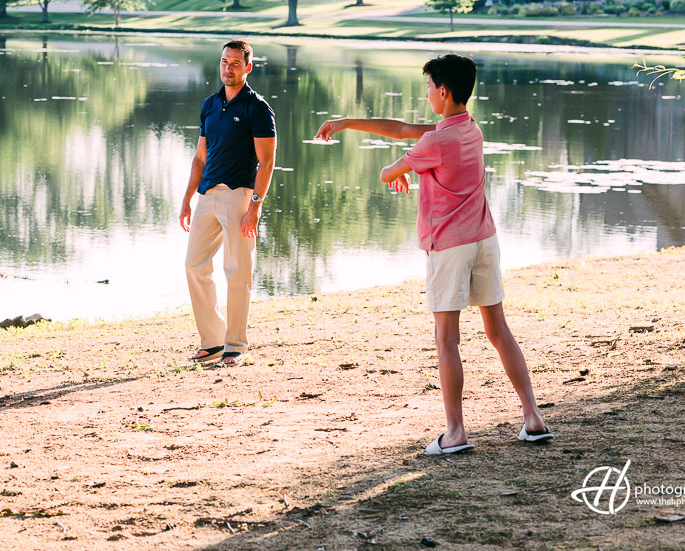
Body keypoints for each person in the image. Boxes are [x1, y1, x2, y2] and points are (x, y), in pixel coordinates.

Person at [315, 53, 551, 454]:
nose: (425, 95)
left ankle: (455, 433)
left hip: (450, 246)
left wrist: (402, 171)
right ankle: (533, 418)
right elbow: (405, 130)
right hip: (484, 241)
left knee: (447, 339)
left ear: (443, 92)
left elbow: (386, 171)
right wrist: (348, 122)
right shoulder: (469, 128)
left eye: (428, 88)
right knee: (498, 330)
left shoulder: (436, 141)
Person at [179, 40, 277, 366]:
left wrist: (255, 207)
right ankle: (213, 341)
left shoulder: (258, 109)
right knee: (194, 265)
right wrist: (187, 199)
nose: (228, 68)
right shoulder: (209, 105)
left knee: (237, 272)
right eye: (224, 61)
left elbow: (267, 162)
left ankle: (236, 345)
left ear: (248, 67)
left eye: (235, 63)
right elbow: (199, 157)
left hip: (239, 197)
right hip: (207, 196)